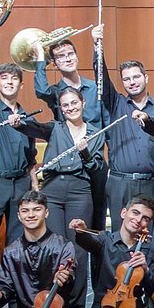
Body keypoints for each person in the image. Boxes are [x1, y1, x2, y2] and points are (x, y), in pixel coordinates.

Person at [0, 47, 48, 238]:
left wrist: (34, 185)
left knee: (19, 240)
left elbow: (31, 158)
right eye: (4, 78)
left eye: (14, 78)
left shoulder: (28, 119)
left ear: (21, 85)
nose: (9, 82)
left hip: (21, 183)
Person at [32, 31, 103, 223]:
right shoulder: (56, 93)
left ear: (77, 56)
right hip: (71, 165)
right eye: (61, 56)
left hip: (93, 161)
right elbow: (40, 90)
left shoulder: (95, 88)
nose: (67, 58)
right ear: (54, 63)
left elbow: (104, 120)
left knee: (96, 221)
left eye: (70, 54)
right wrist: (40, 57)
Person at [97, 37, 154, 212]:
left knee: (150, 235)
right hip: (120, 184)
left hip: (150, 183)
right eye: (126, 79)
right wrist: (98, 46)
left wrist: (148, 121)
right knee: (119, 235)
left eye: (136, 77)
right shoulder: (116, 104)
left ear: (146, 77)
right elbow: (101, 78)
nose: (132, 82)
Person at [35, 85, 103, 236]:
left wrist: (85, 152)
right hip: (52, 190)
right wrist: (19, 123)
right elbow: (34, 127)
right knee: (54, 242)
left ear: (83, 103)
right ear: (61, 108)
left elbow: (96, 168)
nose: (71, 108)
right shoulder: (54, 128)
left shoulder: (96, 133)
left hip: (80, 191)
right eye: (65, 105)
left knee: (78, 244)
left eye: (74, 103)